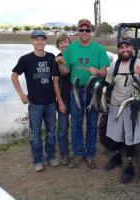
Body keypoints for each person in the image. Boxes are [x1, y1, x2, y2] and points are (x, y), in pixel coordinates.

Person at [59, 19, 110, 169]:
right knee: (76, 124)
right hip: (76, 90)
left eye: (87, 30)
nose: (84, 33)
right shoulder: (71, 49)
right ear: (77, 31)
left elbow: (105, 72)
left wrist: (97, 71)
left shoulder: (99, 49)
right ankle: (78, 154)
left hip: (93, 91)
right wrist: (61, 63)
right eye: (81, 30)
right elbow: (65, 72)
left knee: (92, 124)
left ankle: (90, 155)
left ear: (91, 32)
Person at [102, 37, 140, 183]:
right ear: (118, 50)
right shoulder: (114, 65)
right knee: (115, 136)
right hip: (116, 105)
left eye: (127, 47)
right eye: (121, 47)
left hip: (133, 107)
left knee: (130, 138)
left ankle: (130, 165)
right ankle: (117, 156)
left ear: (132, 48)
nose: (124, 50)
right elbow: (107, 82)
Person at [11, 30, 59, 172]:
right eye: (37, 39)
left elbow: (55, 79)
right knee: (35, 133)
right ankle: (38, 160)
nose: (40, 42)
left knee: (51, 131)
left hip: (50, 102)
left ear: (45, 41)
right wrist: (21, 95)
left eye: (42, 39)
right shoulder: (25, 59)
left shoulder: (51, 57)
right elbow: (14, 76)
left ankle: (50, 156)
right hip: (35, 104)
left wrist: (59, 98)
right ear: (32, 42)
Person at [52, 32, 72, 166]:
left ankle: (77, 153)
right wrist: (59, 101)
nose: (64, 44)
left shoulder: (75, 57)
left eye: (66, 41)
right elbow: (56, 81)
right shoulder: (57, 59)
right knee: (63, 128)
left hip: (76, 98)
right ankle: (64, 154)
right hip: (63, 99)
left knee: (76, 127)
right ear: (58, 46)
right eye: (61, 43)